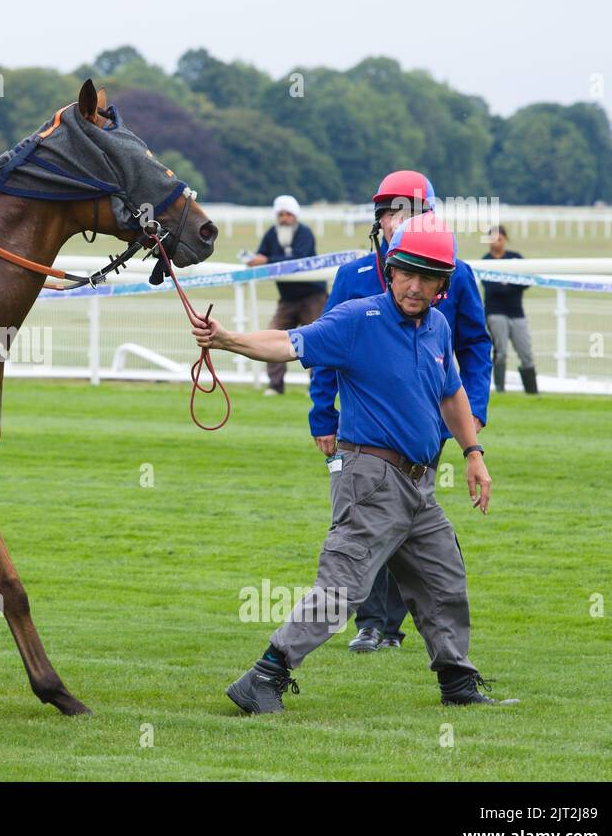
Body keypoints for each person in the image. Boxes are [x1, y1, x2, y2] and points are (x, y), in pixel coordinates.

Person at [195, 213, 517, 712]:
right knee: (342, 589)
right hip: (370, 479)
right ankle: (264, 676)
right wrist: (227, 339)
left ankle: (457, 685)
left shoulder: (435, 326)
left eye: (426, 276)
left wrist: (474, 454)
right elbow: (289, 342)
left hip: (420, 485)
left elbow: (452, 393)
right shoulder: (356, 319)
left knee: (443, 580)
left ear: (441, 285)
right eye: (405, 272)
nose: (413, 285)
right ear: (390, 271)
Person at [309, 170, 491, 652]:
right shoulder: (352, 278)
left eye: (408, 212)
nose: (396, 221)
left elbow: (475, 345)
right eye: (390, 212)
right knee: (369, 522)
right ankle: (373, 624)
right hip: (368, 428)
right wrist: (321, 415)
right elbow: (324, 347)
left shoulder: (458, 274)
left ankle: (419, 639)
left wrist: (474, 421)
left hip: (435, 424)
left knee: (415, 527)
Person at [246, 194, 327, 395]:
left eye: (288, 214)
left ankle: (316, 386)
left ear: (295, 215)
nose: (284, 218)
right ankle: (275, 385)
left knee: (316, 341)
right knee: (273, 336)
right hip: (287, 299)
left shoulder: (305, 233)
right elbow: (260, 255)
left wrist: (266, 261)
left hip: (313, 296)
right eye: (280, 214)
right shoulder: (272, 234)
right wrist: (254, 260)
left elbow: (297, 261)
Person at [482, 225, 537, 394]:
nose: (497, 242)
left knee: (525, 352)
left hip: (517, 313)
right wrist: (511, 285)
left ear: (505, 239)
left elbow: (526, 281)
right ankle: (500, 389)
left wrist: (504, 286)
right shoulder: (486, 261)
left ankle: (532, 391)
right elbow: (490, 287)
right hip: (495, 312)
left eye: (500, 238)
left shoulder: (515, 258)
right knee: (501, 352)